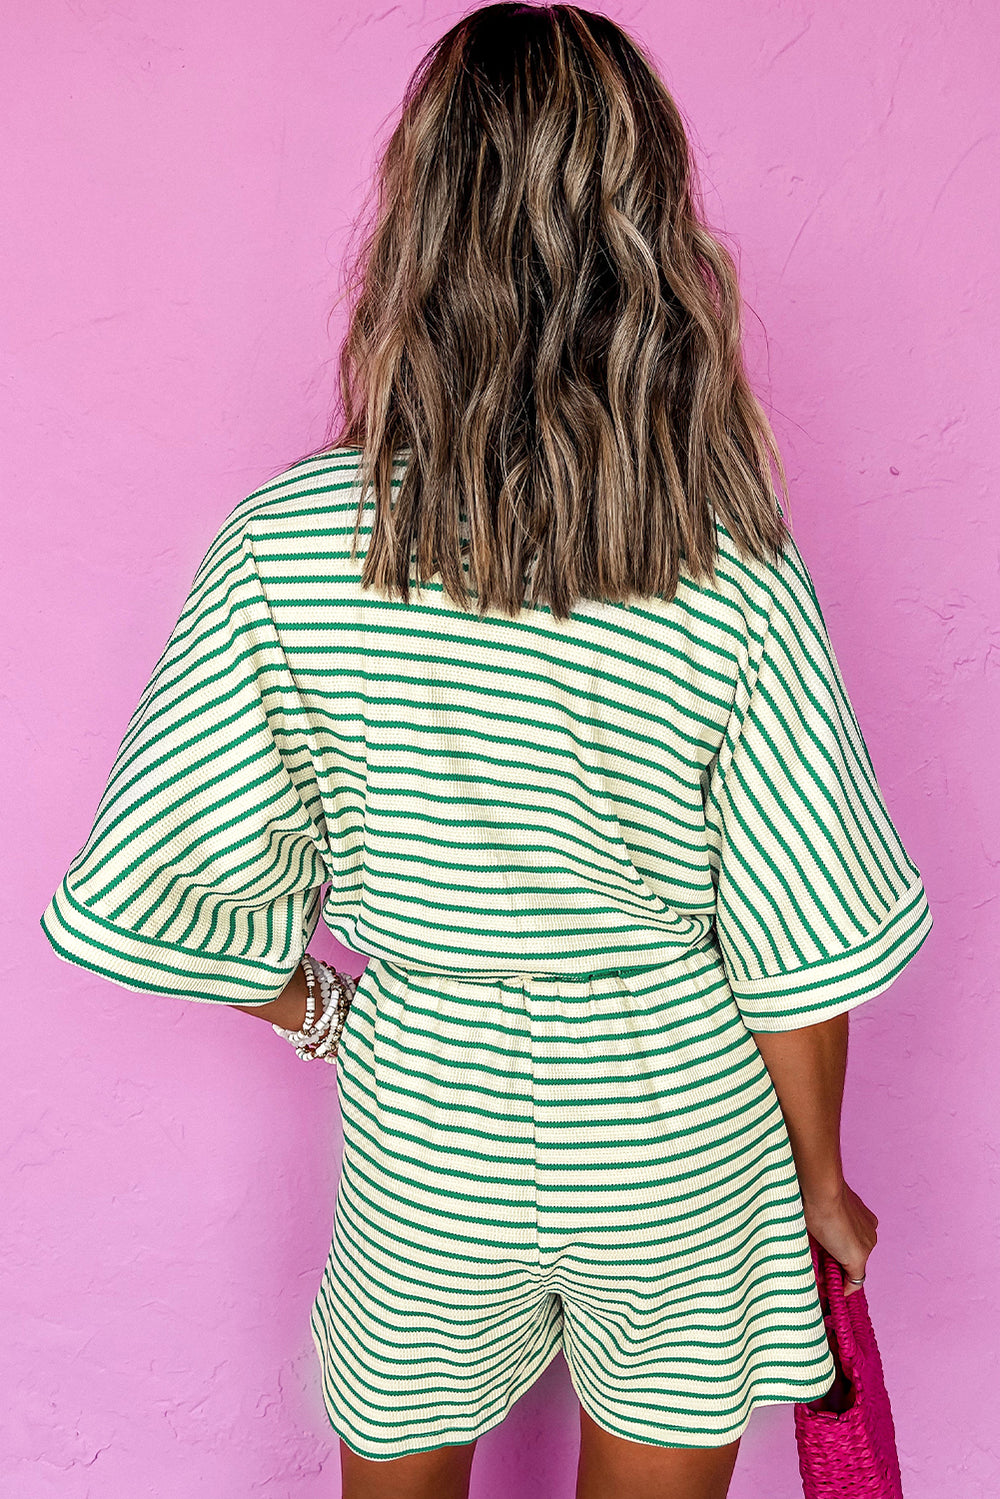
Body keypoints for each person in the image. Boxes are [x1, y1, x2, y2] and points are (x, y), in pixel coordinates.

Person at [40, 5, 933, 1497]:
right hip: (678, 1128)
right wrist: (823, 1182)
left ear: (416, 225)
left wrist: (326, 1014)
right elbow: (802, 942)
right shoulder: (728, 562)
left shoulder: (292, 548)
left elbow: (157, 877)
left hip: (429, 1121)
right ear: (651, 238)